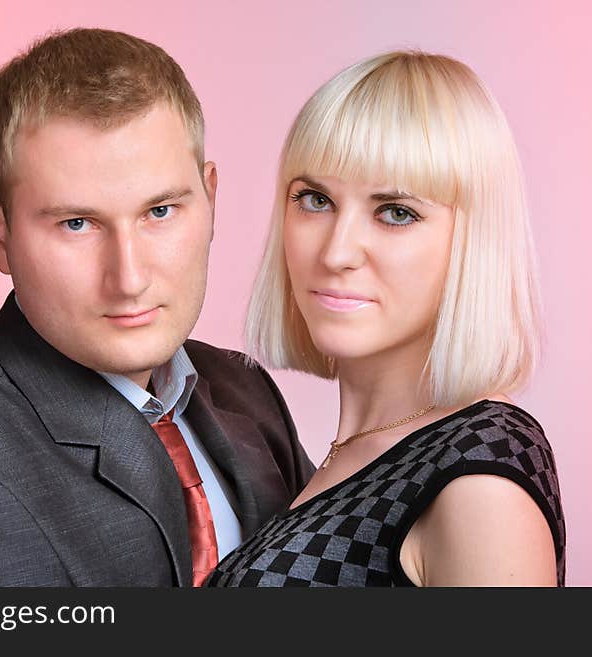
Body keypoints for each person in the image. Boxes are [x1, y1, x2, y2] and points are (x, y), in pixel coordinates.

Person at [0, 28, 314, 587]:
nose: (129, 277)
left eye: (160, 211)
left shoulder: (247, 393)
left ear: (210, 199)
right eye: (77, 223)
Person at [207, 51, 566, 587]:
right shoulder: (345, 456)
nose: (337, 251)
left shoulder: (479, 473)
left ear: (473, 242)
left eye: (395, 212)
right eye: (315, 199)